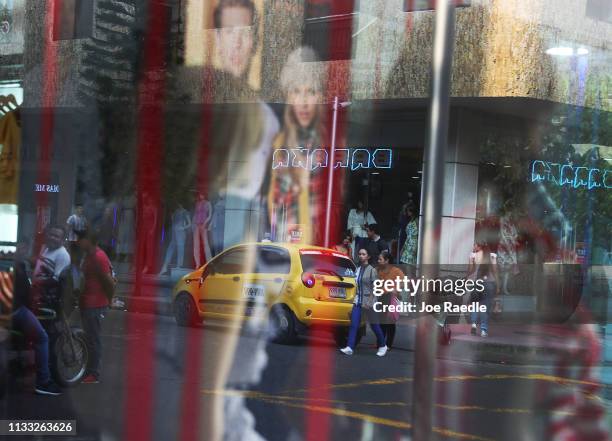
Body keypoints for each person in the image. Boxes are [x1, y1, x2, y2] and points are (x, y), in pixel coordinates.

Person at [267, 46, 326, 245]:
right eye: (296, 91)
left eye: (310, 91)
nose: (303, 101)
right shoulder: (275, 142)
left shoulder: (329, 141)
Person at [12, 234, 65, 396]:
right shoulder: (18, 266)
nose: (25, 250)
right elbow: (24, 294)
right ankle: (43, 382)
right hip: (14, 311)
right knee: (42, 338)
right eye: (23, 247)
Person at [77, 229, 114, 383]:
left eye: (82, 239)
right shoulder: (89, 256)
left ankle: (94, 373)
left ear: (89, 240)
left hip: (96, 305)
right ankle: (88, 369)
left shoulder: (99, 257)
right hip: (87, 303)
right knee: (88, 338)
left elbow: (110, 283)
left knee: (93, 340)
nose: (79, 242)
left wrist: (109, 301)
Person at [340, 248, 388, 357]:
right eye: (360, 254)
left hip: (369, 302)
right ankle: (350, 347)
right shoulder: (358, 269)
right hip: (358, 301)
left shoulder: (372, 270)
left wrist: (370, 301)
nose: (361, 256)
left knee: (374, 325)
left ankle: (383, 345)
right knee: (354, 324)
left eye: (363, 254)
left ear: (368, 257)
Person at [467, 240, 500, 337]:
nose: (473, 246)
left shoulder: (473, 256)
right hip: (489, 284)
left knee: (475, 305)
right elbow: (495, 271)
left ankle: (473, 324)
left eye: (474, 244)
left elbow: (471, 271)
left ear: (478, 246)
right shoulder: (492, 256)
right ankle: (483, 330)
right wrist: (498, 285)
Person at [376, 250, 405, 349]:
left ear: (387, 261)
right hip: (381, 297)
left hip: (391, 297)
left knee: (390, 321)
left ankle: (388, 344)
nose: (378, 261)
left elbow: (403, 282)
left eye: (380, 259)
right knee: (381, 321)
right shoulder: (378, 270)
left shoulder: (396, 271)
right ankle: (381, 343)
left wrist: (395, 289)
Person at [159, 203, 192, 275]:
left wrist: (183, 227)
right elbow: (173, 220)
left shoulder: (185, 212)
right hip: (174, 231)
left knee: (180, 247)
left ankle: (179, 265)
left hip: (180, 232)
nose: (178, 205)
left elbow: (189, 223)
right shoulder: (176, 211)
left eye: (179, 203)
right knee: (171, 247)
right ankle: (165, 265)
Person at [192, 194, 211, 268]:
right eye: (199, 194)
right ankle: (197, 263)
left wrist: (205, 223)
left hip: (203, 224)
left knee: (205, 243)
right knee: (196, 245)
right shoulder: (197, 203)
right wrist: (192, 224)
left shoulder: (208, 203)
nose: (200, 195)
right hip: (196, 225)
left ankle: (209, 261)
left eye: (202, 194)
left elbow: (209, 215)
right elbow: (195, 214)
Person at [399, 203, 419, 269]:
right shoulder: (411, 220)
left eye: (408, 211)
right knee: (405, 264)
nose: (407, 213)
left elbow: (419, 234)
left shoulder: (417, 220)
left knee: (409, 265)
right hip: (408, 243)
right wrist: (403, 248)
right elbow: (408, 236)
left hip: (413, 245)